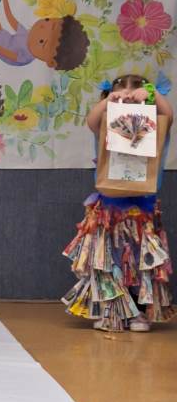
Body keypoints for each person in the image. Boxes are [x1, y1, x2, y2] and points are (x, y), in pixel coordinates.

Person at [63, 74, 175, 333]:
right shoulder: (105, 122)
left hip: (142, 209)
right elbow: (91, 122)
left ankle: (138, 313)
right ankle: (112, 312)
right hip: (110, 209)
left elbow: (168, 115)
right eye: (121, 95)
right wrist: (108, 103)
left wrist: (152, 93)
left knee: (140, 262)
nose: (127, 98)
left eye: (133, 96)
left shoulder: (155, 124)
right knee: (110, 261)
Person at [0, 0, 90, 70]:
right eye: (47, 20)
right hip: (2, 36)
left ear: (50, 62)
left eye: (41, 41)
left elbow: (2, 51)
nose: (39, 27)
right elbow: (10, 18)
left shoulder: (25, 57)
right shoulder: (27, 35)